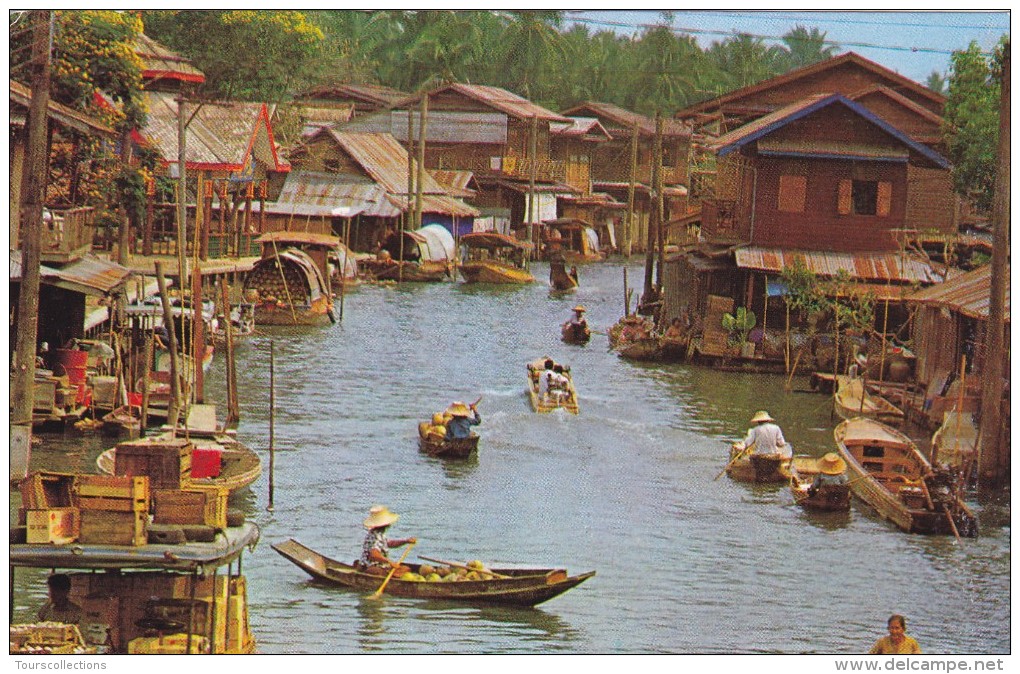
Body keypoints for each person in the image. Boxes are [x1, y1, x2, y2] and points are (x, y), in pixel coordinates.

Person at [359, 505, 417, 577]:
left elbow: (389, 543)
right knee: (382, 573)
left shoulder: (380, 534)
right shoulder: (374, 535)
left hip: (382, 565)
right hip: (370, 566)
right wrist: (390, 562)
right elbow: (374, 555)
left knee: (406, 569)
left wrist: (405, 541)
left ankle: (393, 575)